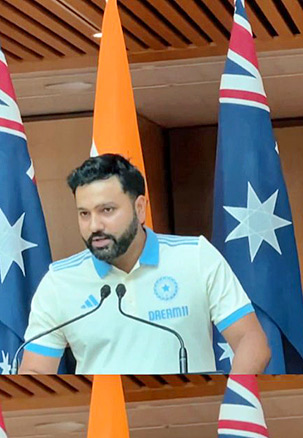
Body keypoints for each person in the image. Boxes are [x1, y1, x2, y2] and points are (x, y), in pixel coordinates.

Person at [18, 154, 271, 375]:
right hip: (105, 419)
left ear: (139, 208)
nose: (94, 226)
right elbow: (35, 370)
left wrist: (229, 397)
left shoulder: (196, 257)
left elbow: (252, 342)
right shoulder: (59, 282)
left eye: (106, 210)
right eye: (84, 213)